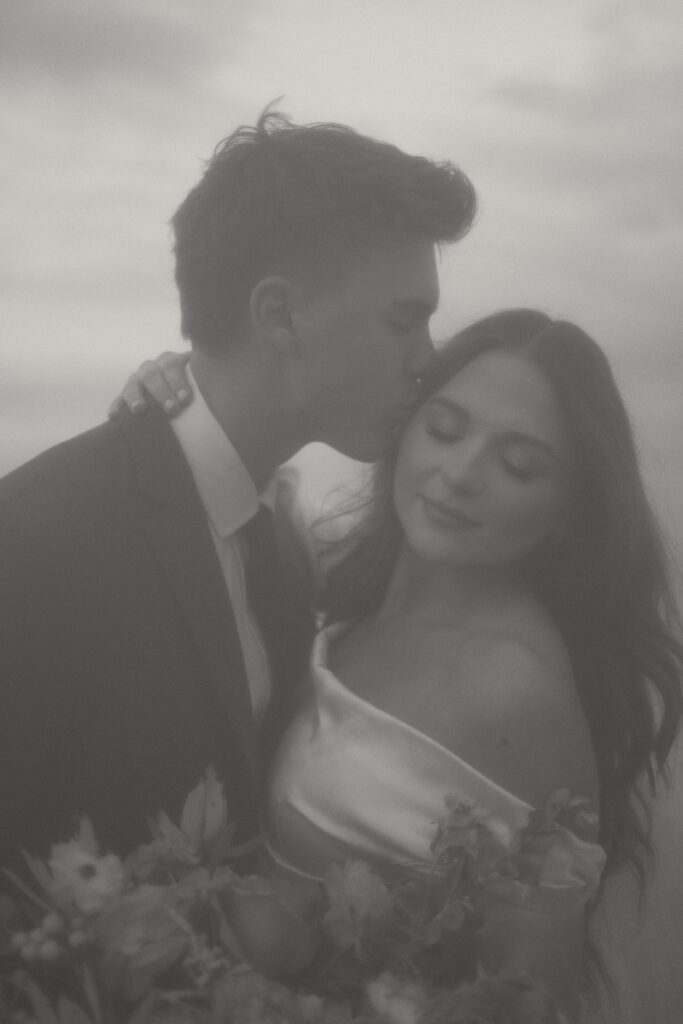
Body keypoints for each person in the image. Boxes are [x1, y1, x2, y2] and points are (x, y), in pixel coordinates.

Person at [126, 309, 682, 1021]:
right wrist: (174, 403)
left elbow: (534, 999)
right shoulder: (349, 585)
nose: (458, 474)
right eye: (444, 429)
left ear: (567, 511)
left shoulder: (513, 692)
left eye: (518, 465)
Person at [0, 108, 477, 871]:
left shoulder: (281, 542)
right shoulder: (35, 543)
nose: (426, 359)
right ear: (280, 315)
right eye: (404, 320)